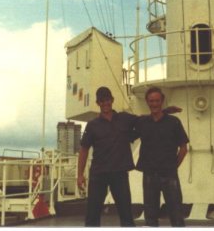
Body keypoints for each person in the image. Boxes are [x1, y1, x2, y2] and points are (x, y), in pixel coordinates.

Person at [77, 86, 137, 227]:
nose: (105, 103)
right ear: (98, 103)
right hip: (98, 174)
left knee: (126, 214)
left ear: (112, 100)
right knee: (92, 215)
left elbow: (145, 121)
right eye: (102, 101)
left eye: (107, 100)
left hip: (119, 173)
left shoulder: (124, 118)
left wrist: (163, 112)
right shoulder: (92, 125)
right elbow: (84, 149)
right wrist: (80, 175)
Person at [134, 86, 189, 227]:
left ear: (162, 101)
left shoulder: (174, 122)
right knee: (150, 215)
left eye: (157, 101)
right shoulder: (142, 122)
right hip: (149, 175)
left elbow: (183, 148)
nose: (154, 104)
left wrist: (173, 166)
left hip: (169, 174)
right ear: (147, 102)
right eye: (151, 101)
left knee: (176, 214)